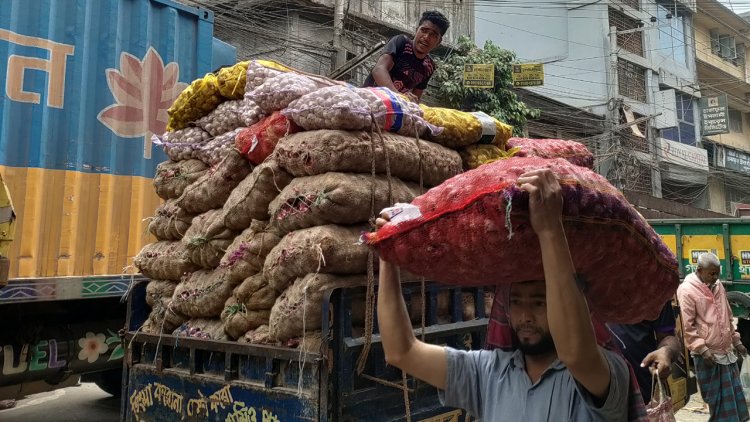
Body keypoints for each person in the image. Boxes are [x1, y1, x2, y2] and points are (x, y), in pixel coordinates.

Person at [375, 169, 630, 420]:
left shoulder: (603, 373)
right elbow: (401, 351)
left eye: (540, 302)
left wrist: (551, 230)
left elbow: (575, 353)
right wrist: (388, 256)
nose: (525, 316)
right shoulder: (487, 372)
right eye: (516, 301)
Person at [676, 252, 749, 421]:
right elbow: (687, 325)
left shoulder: (718, 287)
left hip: (726, 353)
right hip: (707, 355)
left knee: (734, 404)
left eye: (717, 273)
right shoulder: (686, 290)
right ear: (699, 270)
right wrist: (702, 349)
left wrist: (736, 341)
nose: (716, 278)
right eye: (712, 273)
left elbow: (727, 317)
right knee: (716, 402)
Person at [362, 10, 449, 102]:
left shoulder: (429, 67)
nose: (426, 37)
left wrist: (410, 103)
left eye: (433, 35)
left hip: (393, 109)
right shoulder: (402, 42)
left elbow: (416, 97)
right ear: (416, 31)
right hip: (368, 100)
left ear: (438, 42)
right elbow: (379, 70)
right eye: (424, 30)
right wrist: (398, 96)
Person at [608, 302, 682, 404]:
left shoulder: (655, 289)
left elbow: (667, 336)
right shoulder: (582, 291)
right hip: (594, 393)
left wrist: (667, 351)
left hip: (642, 391)